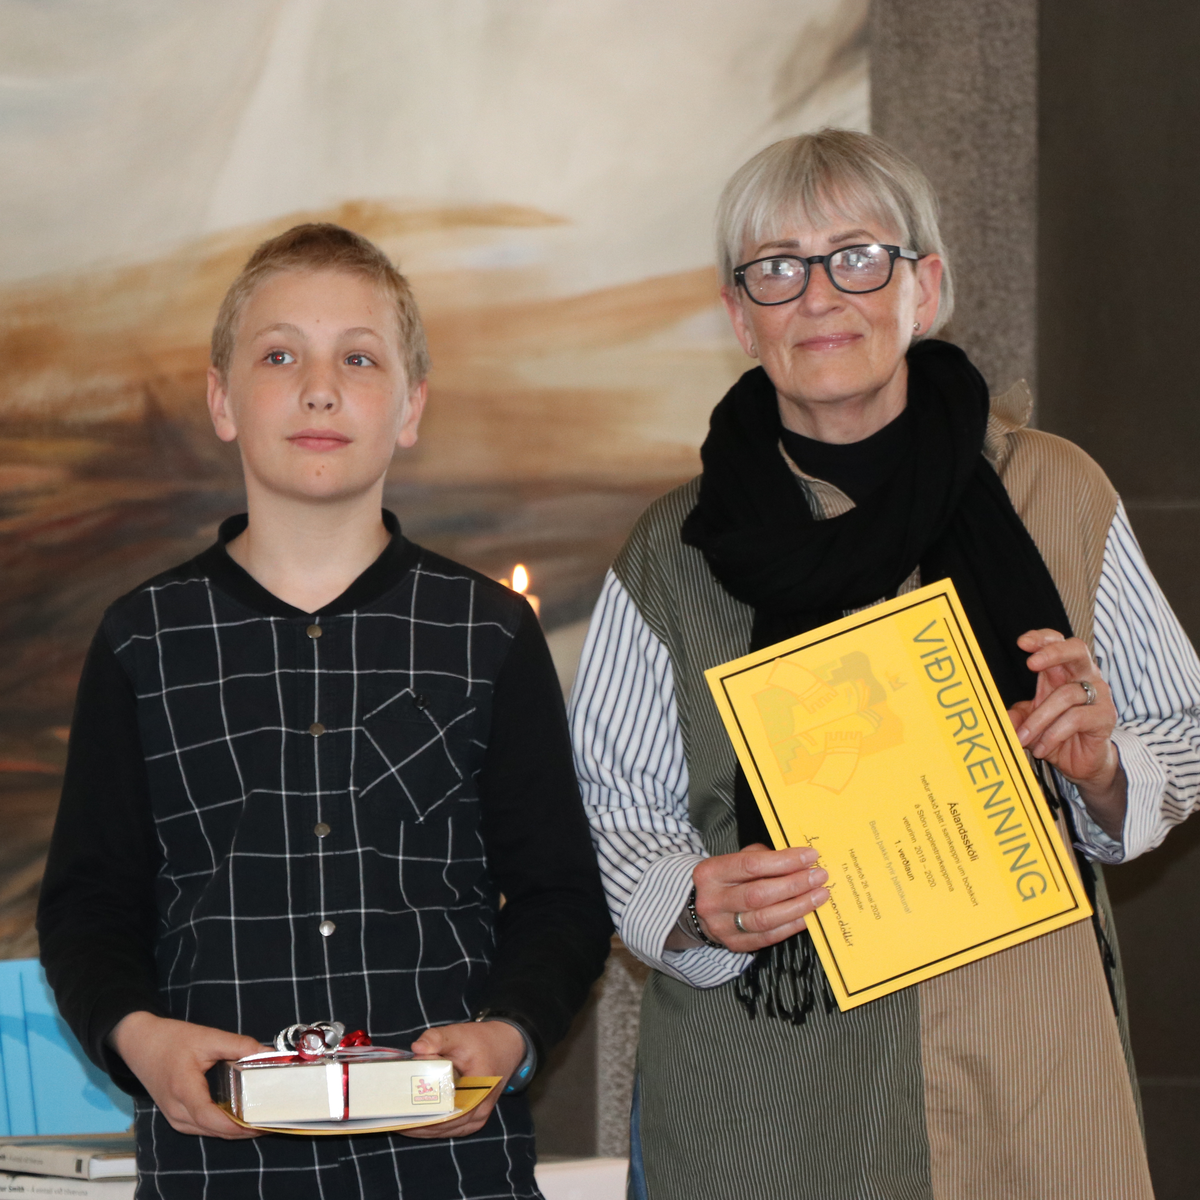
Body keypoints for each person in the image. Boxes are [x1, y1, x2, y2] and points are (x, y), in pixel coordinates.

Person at [571, 129, 1200, 1199]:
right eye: (777, 267)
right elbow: (614, 812)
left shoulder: (1057, 493)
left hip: (1022, 1049)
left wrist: (1100, 765)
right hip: (770, 1078)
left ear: (926, 286)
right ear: (740, 315)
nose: (819, 295)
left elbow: (1179, 734)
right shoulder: (673, 550)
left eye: (858, 257)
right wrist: (696, 901)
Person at [37, 223, 612, 1200]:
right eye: (278, 356)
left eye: (358, 357)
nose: (318, 388)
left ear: (410, 405)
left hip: (449, 1170)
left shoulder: (489, 634)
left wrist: (510, 1034)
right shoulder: (143, 639)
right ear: (221, 400)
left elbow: (559, 895)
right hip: (217, 1171)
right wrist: (139, 1037)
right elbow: (88, 902)